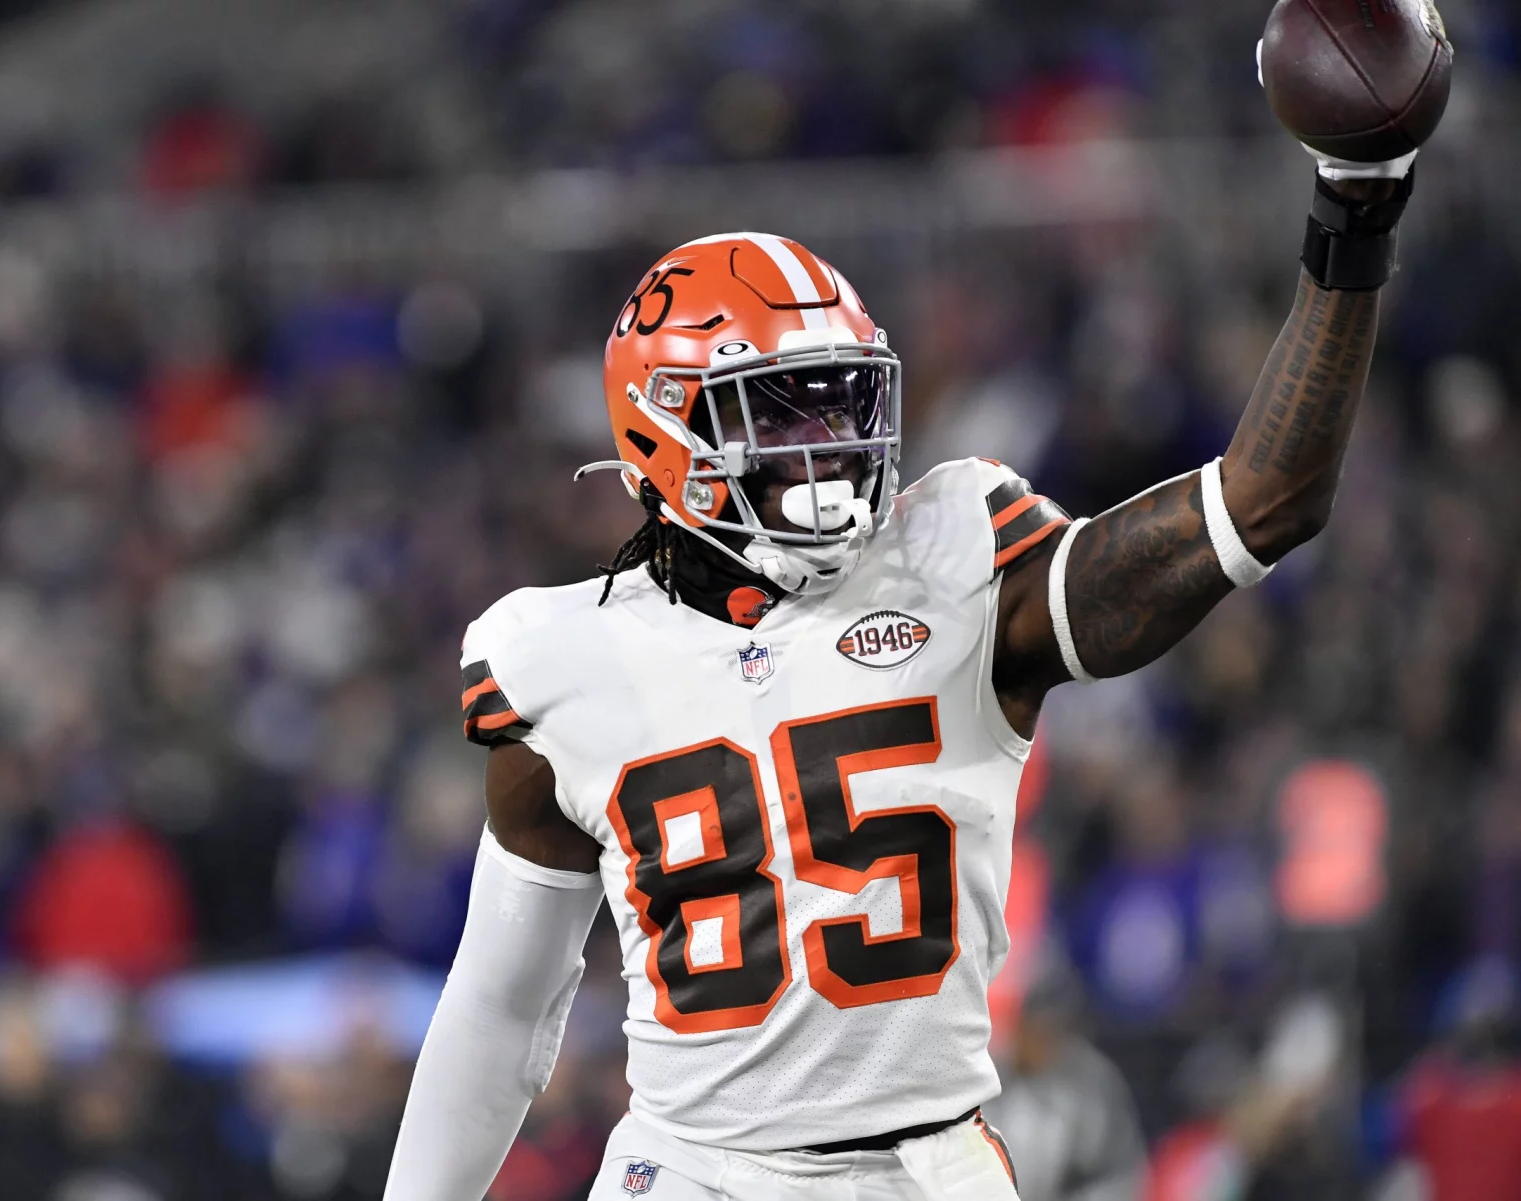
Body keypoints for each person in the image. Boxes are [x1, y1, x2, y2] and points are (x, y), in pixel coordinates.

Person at [383, 50, 1425, 1198]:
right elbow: (500, 1007)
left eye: (841, 405)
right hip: (689, 1173)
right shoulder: (560, 661)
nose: (828, 453)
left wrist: (1354, 206)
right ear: (663, 434)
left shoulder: (960, 558)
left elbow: (1265, 497)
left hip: (927, 1168)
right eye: (779, 416)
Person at [981, 976, 1144, 1201]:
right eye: (1033, 1029)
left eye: (1049, 1031)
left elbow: (1115, 1171)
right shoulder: (990, 1075)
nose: (1038, 1042)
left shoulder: (1091, 1083)